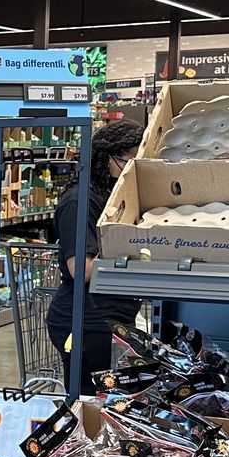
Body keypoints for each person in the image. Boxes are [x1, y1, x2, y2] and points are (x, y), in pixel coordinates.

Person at [48, 119, 145, 396]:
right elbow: (83, 269)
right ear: (105, 158)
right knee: (92, 402)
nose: (131, 171)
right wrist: (137, 266)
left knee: (112, 401)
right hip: (86, 322)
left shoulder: (110, 198)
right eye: (127, 162)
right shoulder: (79, 201)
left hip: (110, 319)